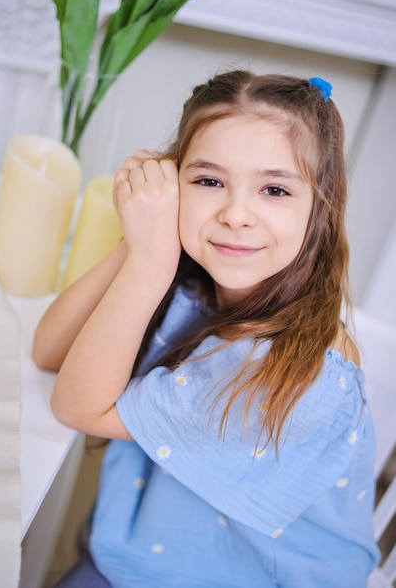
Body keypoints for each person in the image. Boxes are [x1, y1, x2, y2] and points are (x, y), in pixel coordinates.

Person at [33, 70, 380, 587]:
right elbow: (50, 351)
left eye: (275, 189)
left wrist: (150, 256)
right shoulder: (194, 289)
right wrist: (142, 239)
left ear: (319, 212)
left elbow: (75, 406)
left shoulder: (294, 374)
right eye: (209, 181)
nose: (236, 214)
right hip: (134, 565)